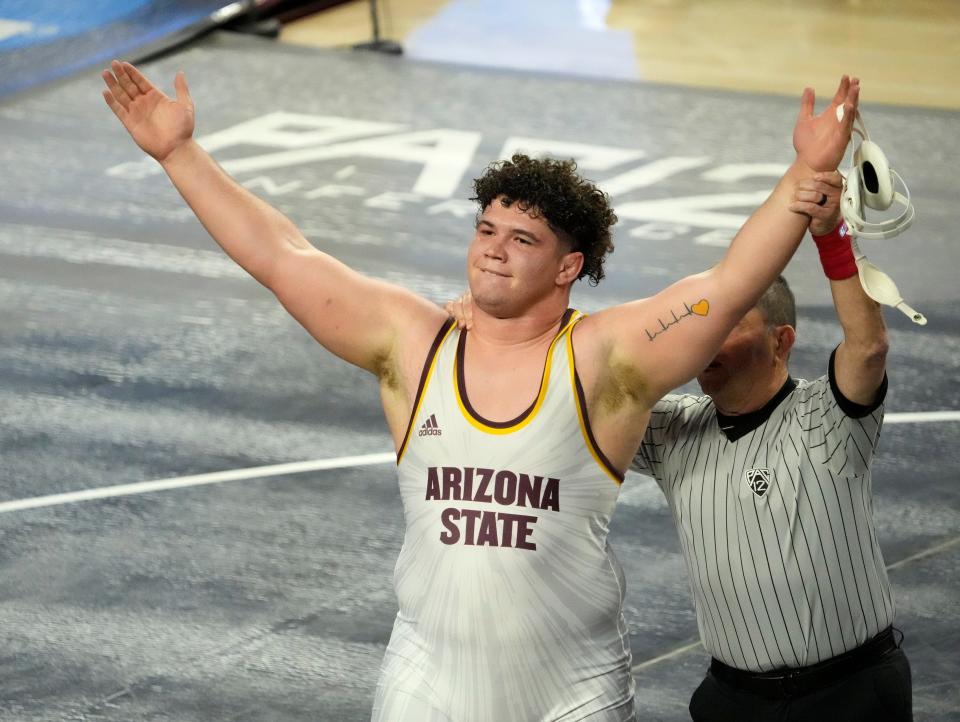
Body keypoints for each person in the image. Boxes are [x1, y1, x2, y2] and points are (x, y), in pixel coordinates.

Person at [101, 59, 859, 722]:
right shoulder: (413, 342)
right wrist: (179, 154)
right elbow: (282, 255)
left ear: (568, 268)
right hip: (427, 677)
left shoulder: (607, 359)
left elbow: (728, 288)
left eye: (521, 240)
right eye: (486, 230)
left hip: (574, 688)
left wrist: (803, 178)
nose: (493, 251)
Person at [632, 176, 912, 721]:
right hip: (731, 701)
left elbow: (869, 345)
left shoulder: (827, 420)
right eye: (700, 324)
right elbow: (584, 391)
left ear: (780, 341)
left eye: (727, 323)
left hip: (846, 698)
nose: (704, 339)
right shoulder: (672, 431)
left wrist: (832, 234)